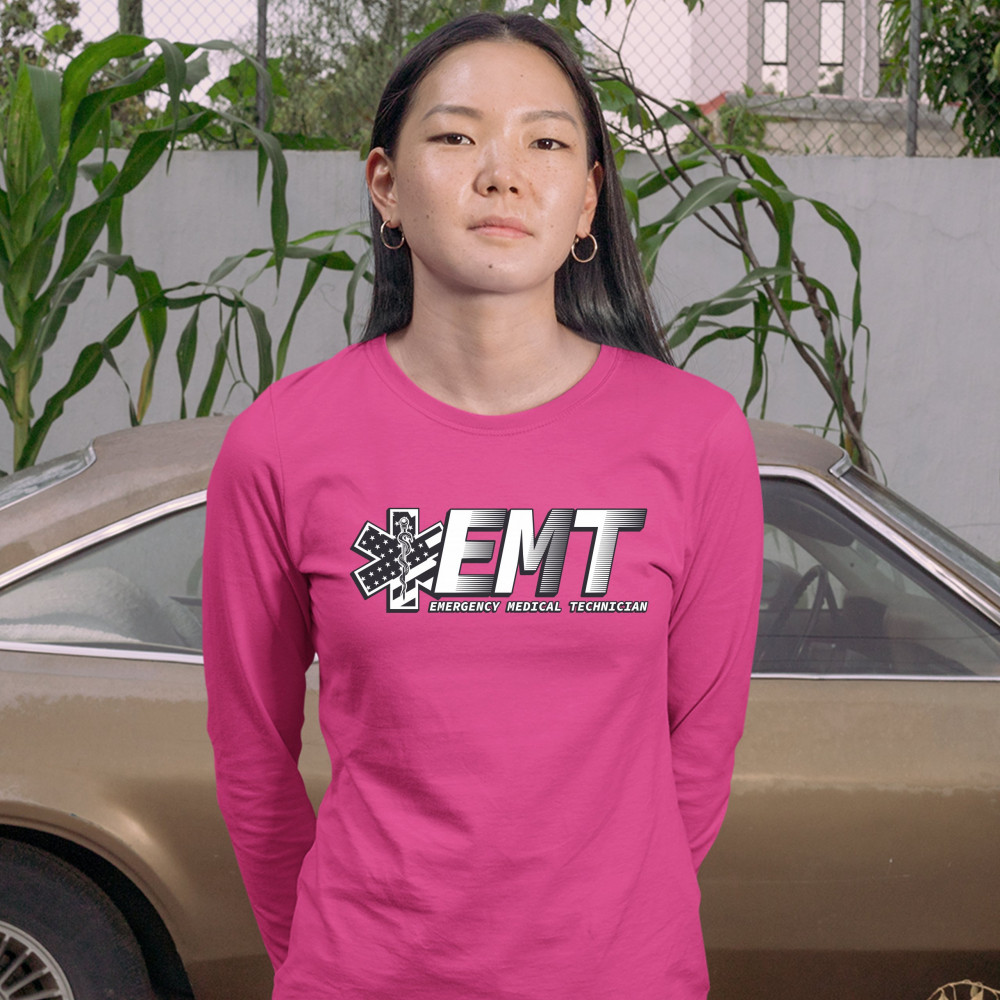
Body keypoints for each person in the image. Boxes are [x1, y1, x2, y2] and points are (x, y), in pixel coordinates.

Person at [202, 12, 763, 1000]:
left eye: (545, 143)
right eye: (457, 136)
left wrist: (603, 937)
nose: (502, 175)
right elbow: (253, 756)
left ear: (586, 200)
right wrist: (331, 963)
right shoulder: (280, 446)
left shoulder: (696, 438)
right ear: (386, 185)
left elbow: (701, 747)